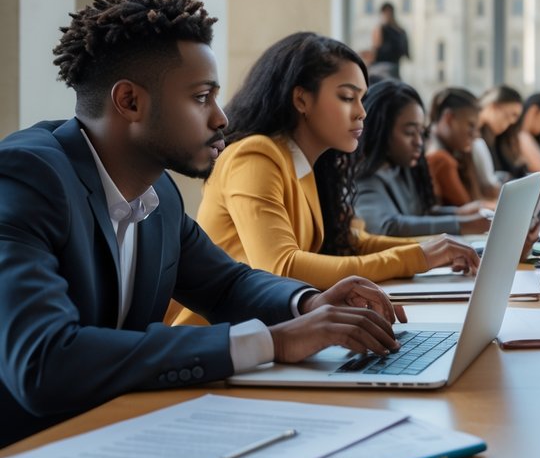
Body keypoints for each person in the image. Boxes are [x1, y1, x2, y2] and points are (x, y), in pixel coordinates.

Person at [0, 0, 406, 458]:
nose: (221, 117)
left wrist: (307, 305)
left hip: (111, 430)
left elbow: (228, 283)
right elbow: (43, 361)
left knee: (306, 454)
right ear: (129, 101)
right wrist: (268, 342)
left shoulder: (158, 192)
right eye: (202, 97)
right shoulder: (28, 176)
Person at [179, 33, 477, 321]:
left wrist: (435, 248)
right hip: (218, 339)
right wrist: (417, 257)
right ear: (301, 100)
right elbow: (281, 267)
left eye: (362, 99)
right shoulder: (254, 155)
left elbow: (351, 241)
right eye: (348, 97)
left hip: (272, 328)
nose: (361, 112)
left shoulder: (306, 164)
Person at [355, 80, 492, 237]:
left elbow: (419, 214)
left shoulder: (404, 167)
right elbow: (387, 226)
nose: (419, 142)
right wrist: (462, 224)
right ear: (380, 131)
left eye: (420, 132)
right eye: (409, 132)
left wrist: (459, 213)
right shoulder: (364, 177)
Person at [427, 87, 496, 207]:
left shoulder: (457, 152)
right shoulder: (439, 159)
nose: (476, 135)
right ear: (448, 119)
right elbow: (466, 208)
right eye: (471, 126)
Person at [474, 85, 525, 190]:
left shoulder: (498, 139)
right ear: (493, 107)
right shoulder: (473, 139)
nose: (512, 122)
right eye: (509, 115)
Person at [369, 1, 409, 79]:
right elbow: (376, 47)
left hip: (390, 67)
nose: (387, 15)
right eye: (385, 12)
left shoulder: (399, 31)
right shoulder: (380, 28)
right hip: (383, 66)